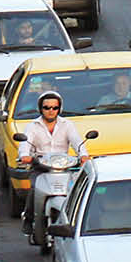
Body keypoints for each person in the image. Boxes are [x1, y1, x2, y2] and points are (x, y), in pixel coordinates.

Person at [15, 90, 90, 240]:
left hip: (64, 166)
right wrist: (25, 156)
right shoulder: (33, 126)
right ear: (40, 109)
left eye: (54, 108)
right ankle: (29, 218)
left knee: (76, 190)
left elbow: (77, 141)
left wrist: (83, 155)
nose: (51, 111)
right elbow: (25, 144)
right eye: (46, 107)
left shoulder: (67, 125)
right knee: (34, 188)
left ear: (59, 109)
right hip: (41, 166)